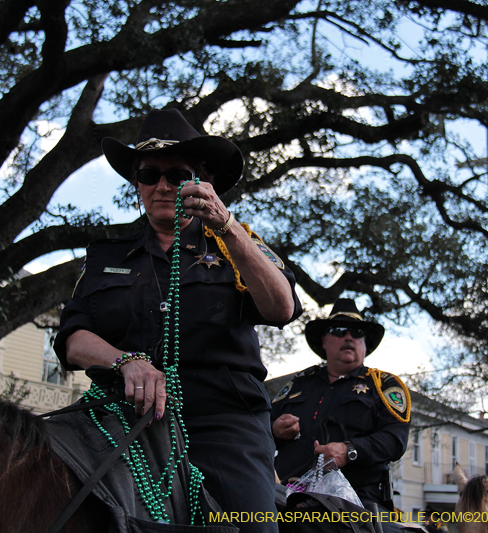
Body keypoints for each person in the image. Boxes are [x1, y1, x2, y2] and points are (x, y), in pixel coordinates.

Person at [54, 108, 302, 532]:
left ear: (200, 181)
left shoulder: (236, 243)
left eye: (177, 174)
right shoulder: (106, 256)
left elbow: (282, 307)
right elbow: (73, 339)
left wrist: (228, 227)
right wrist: (124, 361)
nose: (163, 185)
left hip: (222, 421)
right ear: (138, 185)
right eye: (149, 174)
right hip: (121, 414)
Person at [271, 298, 411, 531]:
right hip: (283, 500)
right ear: (324, 341)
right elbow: (258, 425)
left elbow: (395, 439)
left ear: (365, 344)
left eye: (357, 332)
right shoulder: (298, 384)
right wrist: (274, 428)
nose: (348, 337)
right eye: (339, 331)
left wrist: (350, 450)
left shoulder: (383, 385)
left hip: (351, 506)